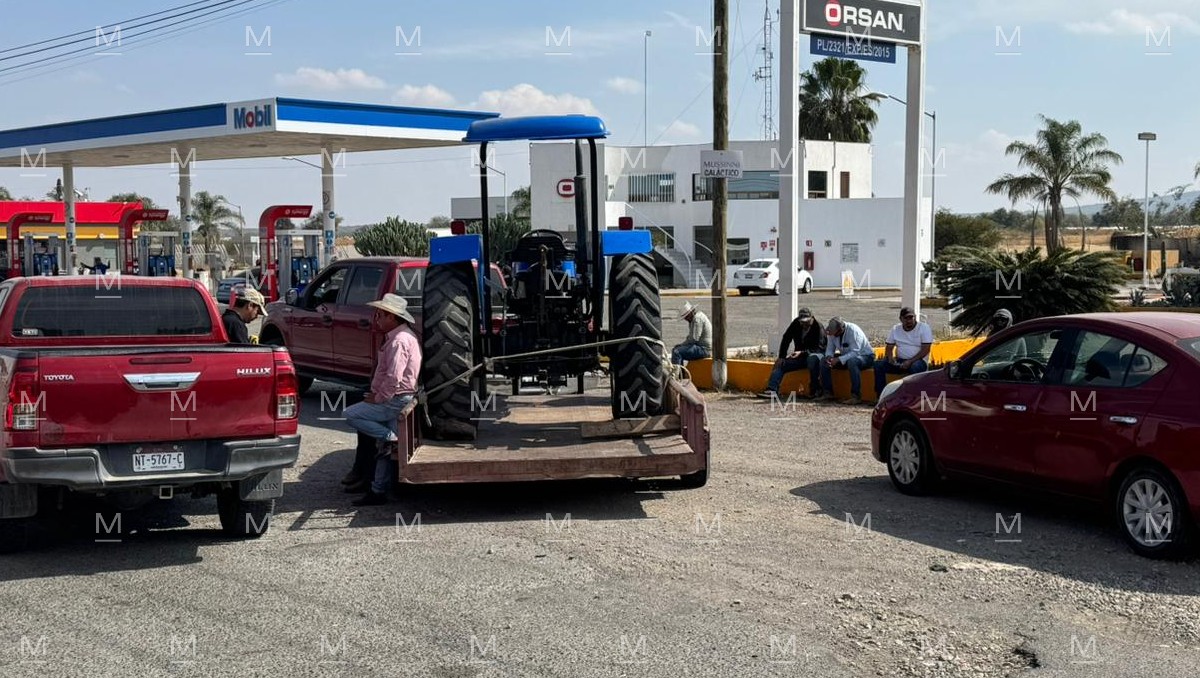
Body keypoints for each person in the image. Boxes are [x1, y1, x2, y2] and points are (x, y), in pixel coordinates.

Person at [347, 294, 421, 507]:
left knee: (350, 415)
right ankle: (378, 490)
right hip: (398, 397)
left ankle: (389, 438)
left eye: (380, 314)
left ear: (391, 317)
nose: (377, 318)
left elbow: (394, 376)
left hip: (394, 399)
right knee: (383, 449)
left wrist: (379, 397)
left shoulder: (398, 341)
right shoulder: (403, 336)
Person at [759, 307, 826, 399]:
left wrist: (802, 352)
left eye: (806, 322)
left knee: (812, 359)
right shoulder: (796, 323)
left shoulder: (818, 327)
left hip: (814, 356)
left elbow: (820, 348)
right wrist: (781, 356)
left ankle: (815, 390)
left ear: (812, 318)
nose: (804, 324)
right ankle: (772, 390)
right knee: (781, 364)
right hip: (799, 357)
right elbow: (786, 338)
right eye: (802, 322)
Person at [873, 307, 934, 398]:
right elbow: (889, 347)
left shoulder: (923, 328)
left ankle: (912, 397)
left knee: (915, 367)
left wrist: (910, 361)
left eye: (911, 317)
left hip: (918, 361)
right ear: (901, 319)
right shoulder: (895, 329)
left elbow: (926, 349)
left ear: (915, 317)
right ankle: (881, 396)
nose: (909, 320)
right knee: (878, 365)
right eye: (906, 318)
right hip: (900, 361)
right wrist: (890, 358)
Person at [818, 317, 875, 405]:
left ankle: (856, 396)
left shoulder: (853, 331)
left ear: (841, 329)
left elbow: (856, 352)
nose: (833, 336)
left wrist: (838, 359)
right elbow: (830, 348)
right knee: (824, 361)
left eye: (835, 334)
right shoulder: (832, 333)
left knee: (852, 362)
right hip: (846, 356)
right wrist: (829, 357)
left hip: (865, 356)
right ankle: (828, 393)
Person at [671, 301, 712, 366]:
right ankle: (681, 374)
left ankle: (677, 375)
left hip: (704, 349)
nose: (686, 319)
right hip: (701, 347)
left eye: (686, 316)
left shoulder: (697, 319)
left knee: (677, 352)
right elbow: (691, 338)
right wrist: (682, 345)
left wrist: (682, 345)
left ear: (691, 313)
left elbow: (693, 339)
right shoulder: (695, 318)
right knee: (676, 349)